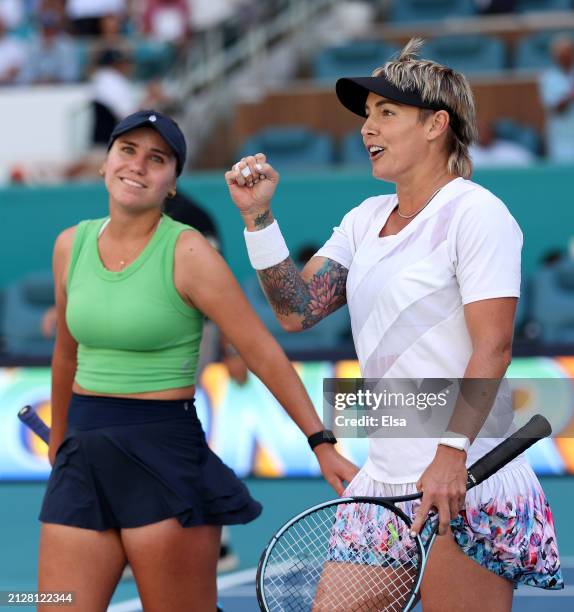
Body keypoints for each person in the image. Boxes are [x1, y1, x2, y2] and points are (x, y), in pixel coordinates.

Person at [226, 38, 563, 610]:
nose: (366, 129)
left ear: (436, 125)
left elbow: (495, 345)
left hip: (465, 474)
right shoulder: (364, 220)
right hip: (382, 481)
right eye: (366, 116)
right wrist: (258, 219)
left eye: (386, 113)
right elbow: (297, 310)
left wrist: (451, 453)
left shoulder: (477, 213)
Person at [39, 109, 357, 611]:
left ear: (171, 185)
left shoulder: (190, 253)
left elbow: (261, 351)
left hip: (162, 461)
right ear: (104, 163)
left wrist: (321, 441)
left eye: (157, 159)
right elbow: (65, 357)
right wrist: (59, 449)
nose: (138, 166)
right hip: (82, 461)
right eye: (127, 151)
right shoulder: (68, 246)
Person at [539, 34, 574, 163]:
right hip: (561, 138)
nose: (565, 56)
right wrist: (570, 96)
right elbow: (556, 108)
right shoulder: (548, 78)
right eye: (561, 53)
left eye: (568, 52)